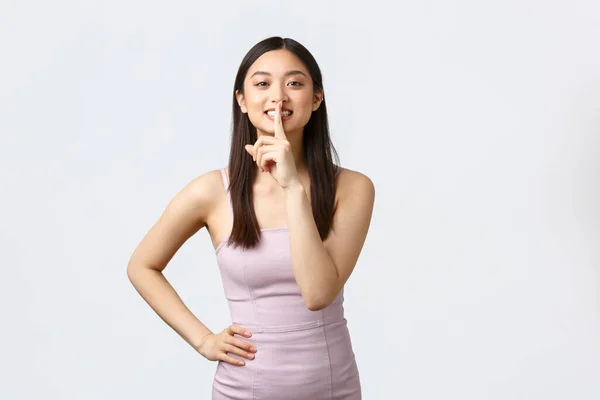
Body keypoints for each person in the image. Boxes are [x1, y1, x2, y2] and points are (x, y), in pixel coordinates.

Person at [127, 36, 375, 400]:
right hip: (244, 390)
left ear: (316, 98)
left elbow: (319, 293)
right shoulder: (211, 191)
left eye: (294, 83)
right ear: (242, 101)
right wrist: (204, 340)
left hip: (332, 387)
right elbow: (142, 266)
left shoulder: (352, 188)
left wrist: (293, 188)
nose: (278, 96)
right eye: (262, 84)